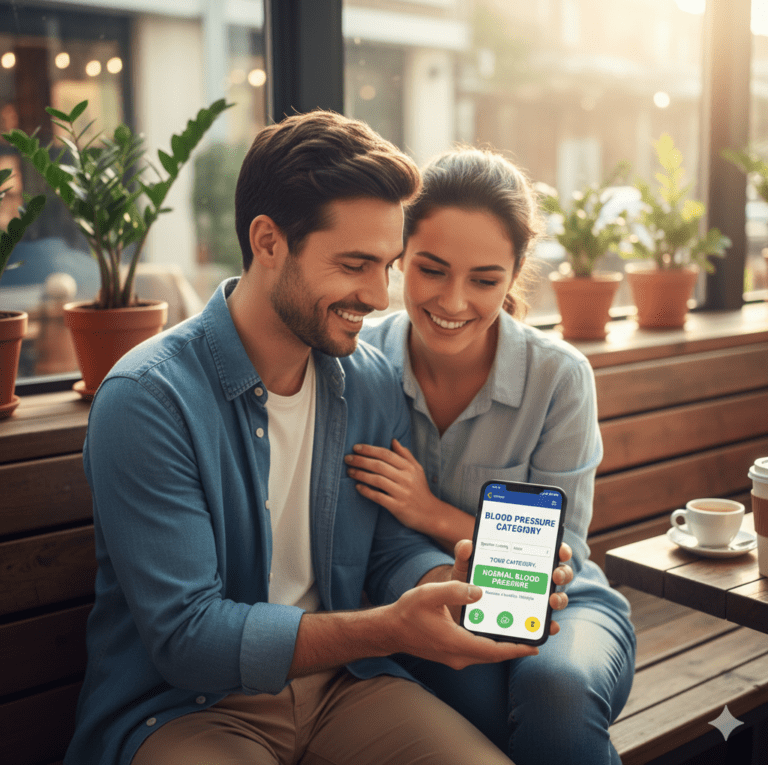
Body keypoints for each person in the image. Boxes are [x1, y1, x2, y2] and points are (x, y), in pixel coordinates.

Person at [64, 112, 574, 765]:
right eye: (356, 264)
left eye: (388, 266)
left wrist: (451, 581)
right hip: (186, 709)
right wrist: (387, 629)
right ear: (268, 241)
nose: (380, 295)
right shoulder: (149, 400)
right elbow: (189, 637)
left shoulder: (370, 382)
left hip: (345, 687)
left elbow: (387, 552)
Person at [347, 147, 637, 765]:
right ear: (399, 256)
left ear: (514, 275)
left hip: (562, 605)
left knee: (556, 691)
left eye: (484, 280)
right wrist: (447, 577)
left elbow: (557, 555)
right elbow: (361, 541)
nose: (454, 302)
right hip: (421, 600)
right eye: (432, 270)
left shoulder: (558, 377)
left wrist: (428, 511)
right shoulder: (359, 364)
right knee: (479, 694)